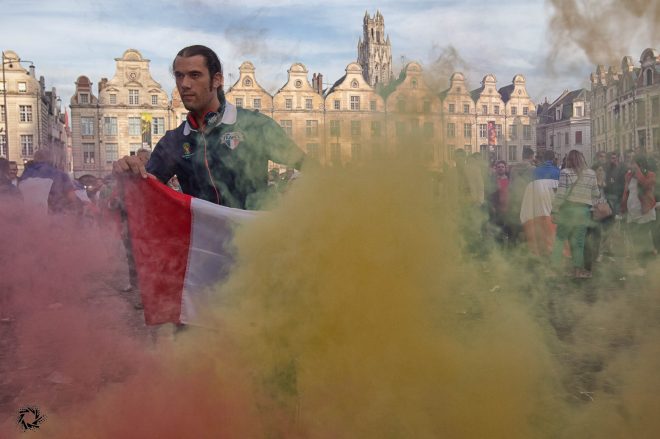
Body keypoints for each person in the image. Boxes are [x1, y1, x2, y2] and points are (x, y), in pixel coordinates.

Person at [113, 45, 305, 210]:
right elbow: (144, 192)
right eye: (179, 76)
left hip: (253, 239)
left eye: (194, 75)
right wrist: (127, 174)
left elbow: (310, 168)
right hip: (203, 241)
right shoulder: (174, 141)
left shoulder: (256, 125)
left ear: (217, 80)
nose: (184, 84)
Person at [551, 150, 600, 279]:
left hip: (568, 210)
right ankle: (577, 272)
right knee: (579, 242)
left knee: (560, 239)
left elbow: (561, 194)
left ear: (569, 160)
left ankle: (554, 269)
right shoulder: (591, 173)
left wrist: (554, 210)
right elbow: (596, 194)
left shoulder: (565, 172)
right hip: (584, 211)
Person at [520, 149, 560, 256]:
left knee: (540, 231)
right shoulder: (558, 172)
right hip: (552, 209)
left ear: (543, 159)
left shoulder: (535, 171)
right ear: (553, 159)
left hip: (538, 208)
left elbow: (529, 191)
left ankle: (540, 253)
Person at [620, 154, 656, 270]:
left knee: (643, 239)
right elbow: (626, 192)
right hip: (632, 213)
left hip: (644, 213)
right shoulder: (628, 175)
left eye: (633, 163)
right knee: (635, 239)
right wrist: (623, 207)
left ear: (640, 164)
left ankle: (644, 266)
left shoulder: (650, 175)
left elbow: (645, 185)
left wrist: (638, 172)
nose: (631, 165)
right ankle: (641, 265)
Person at [18, 148, 78, 216]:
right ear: (51, 159)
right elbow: (72, 197)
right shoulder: (59, 174)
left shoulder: (24, 175)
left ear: (35, 159)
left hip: (29, 218)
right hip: (54, 216)